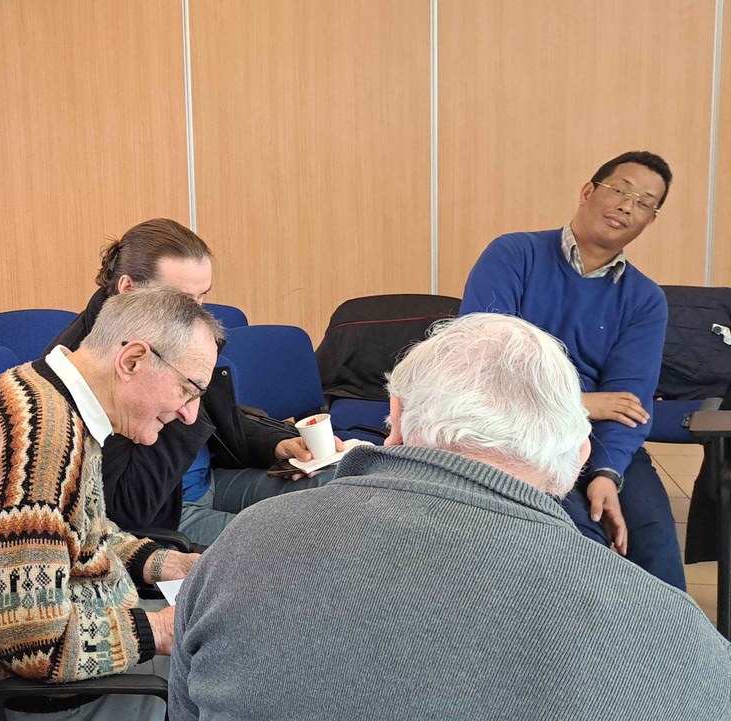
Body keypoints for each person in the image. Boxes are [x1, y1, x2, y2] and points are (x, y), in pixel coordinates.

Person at [170, 313, 731, 720]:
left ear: (396, 418)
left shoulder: (245, 545)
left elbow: (185, 704)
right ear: (578, 457)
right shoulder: (676, 639)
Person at [0, 286, 206, 721]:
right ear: (132, 361)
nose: (190, 414)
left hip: (98, 635)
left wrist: (165, 563)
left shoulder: (40, 388)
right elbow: (28, 644)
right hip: (68, 696)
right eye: (188, 389)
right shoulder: (43, 448)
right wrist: (160, 630)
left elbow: (78, 530)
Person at [460, 151, 683, 589]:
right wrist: (580, 402)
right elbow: (483, 367)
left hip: (596, 438)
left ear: (650, 220)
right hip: (515, 433)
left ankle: (673, 637)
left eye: (644, 203)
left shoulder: (644, 299)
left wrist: (606, 473)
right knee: (580, 538)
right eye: (620, 191)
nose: (627, 207)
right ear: (588, 191)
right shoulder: (515, 255)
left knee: (654, 540)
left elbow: (628, 405)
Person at [50, 218, 341, 546]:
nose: (197, 313)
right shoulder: (85, 370)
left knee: (342, 485)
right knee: (302, 542)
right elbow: (126, 511)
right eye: (182, 299)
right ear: (128, 289)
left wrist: (275, 444)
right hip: (167, 514)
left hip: (213, 479)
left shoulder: (179, 333)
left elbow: (214, 418)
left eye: (202, 297)